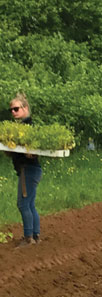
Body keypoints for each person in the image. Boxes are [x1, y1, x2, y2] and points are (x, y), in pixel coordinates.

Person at [7, 93, 42, 247]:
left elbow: (31, 152)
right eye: (11, 110)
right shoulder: (19, 128)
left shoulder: (27, 128)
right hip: (31, 170)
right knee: (30, 204)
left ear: (25, 108)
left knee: (23, 204)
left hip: (28, 169)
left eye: (16, 109)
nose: (13, 112)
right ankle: (35, 235)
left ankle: (28, 238)